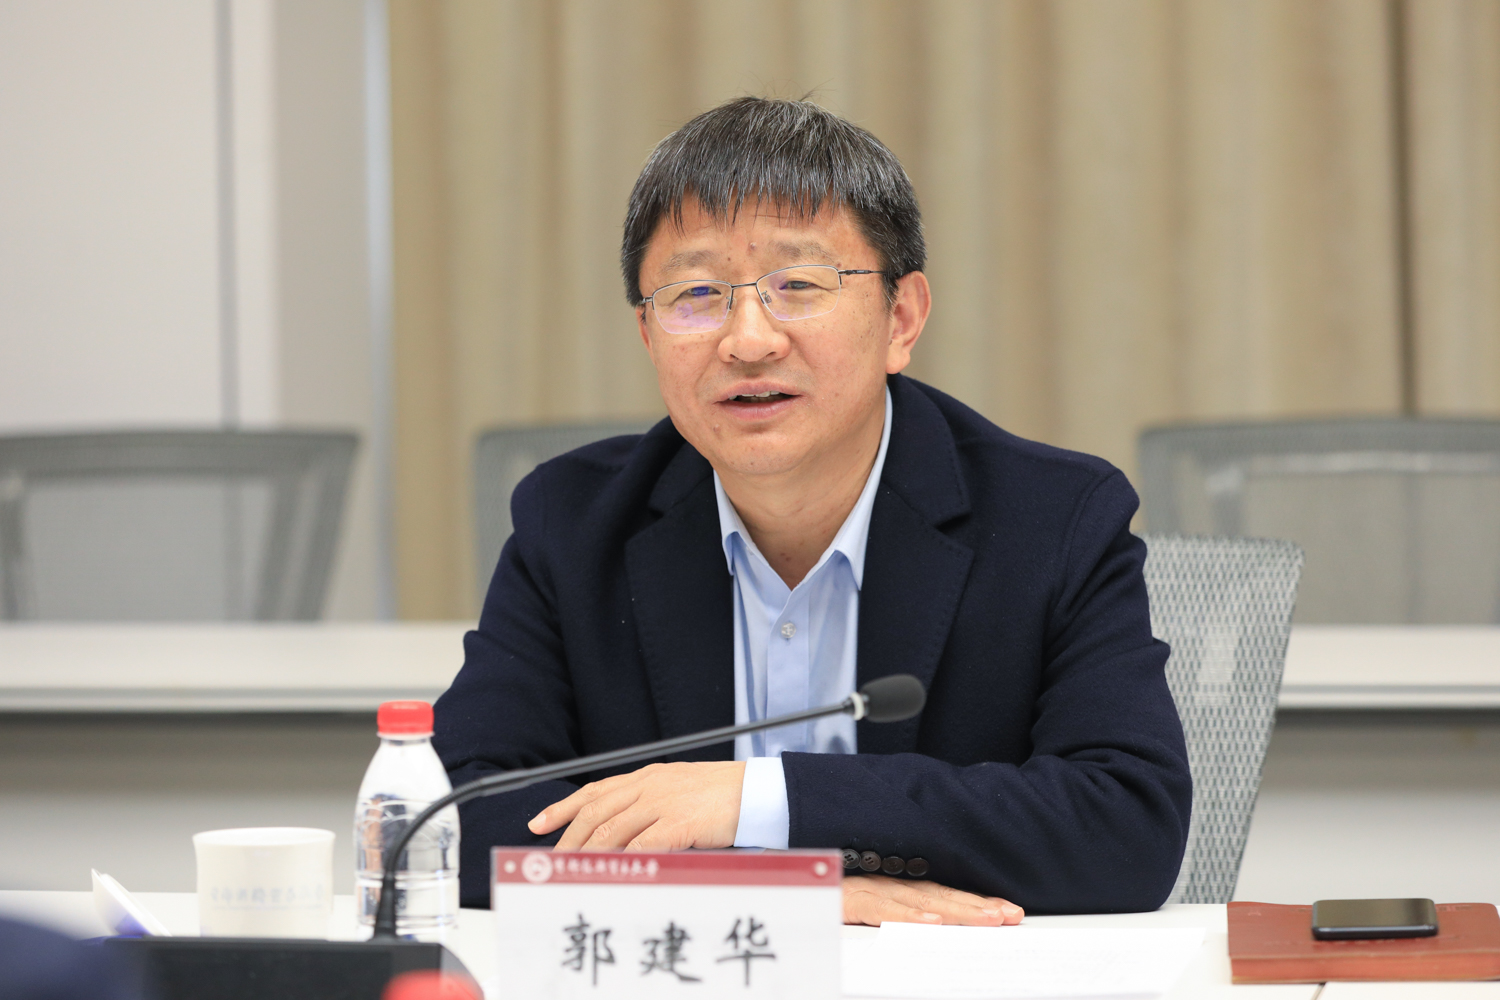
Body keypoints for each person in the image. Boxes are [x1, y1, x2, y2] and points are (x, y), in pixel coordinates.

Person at [434, 96, 1191, 926]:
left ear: (901, 319)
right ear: (648, 336)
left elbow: (1126, 826)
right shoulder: (573, 524)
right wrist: (781, 892)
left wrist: (760, 799)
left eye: (798, 286)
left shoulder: (1053, 520)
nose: (747, 339)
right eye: (695, 294)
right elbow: (453, 820)